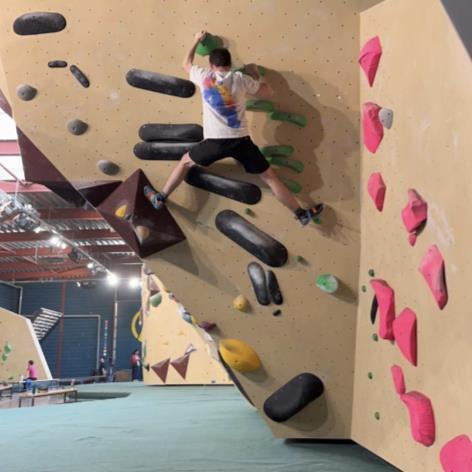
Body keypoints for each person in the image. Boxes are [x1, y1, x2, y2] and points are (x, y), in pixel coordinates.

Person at [144, 30, 324, 226]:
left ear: (212, 65)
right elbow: (268, 92)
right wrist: (256, 74)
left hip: (215, 141)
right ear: (229, 65)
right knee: (270, 177)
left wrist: (196, 40)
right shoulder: (240, 79)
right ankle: (300, 214)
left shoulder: (204, 76)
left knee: (185, 162)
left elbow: (186, 64)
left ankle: (161, 197)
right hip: (241, 141)